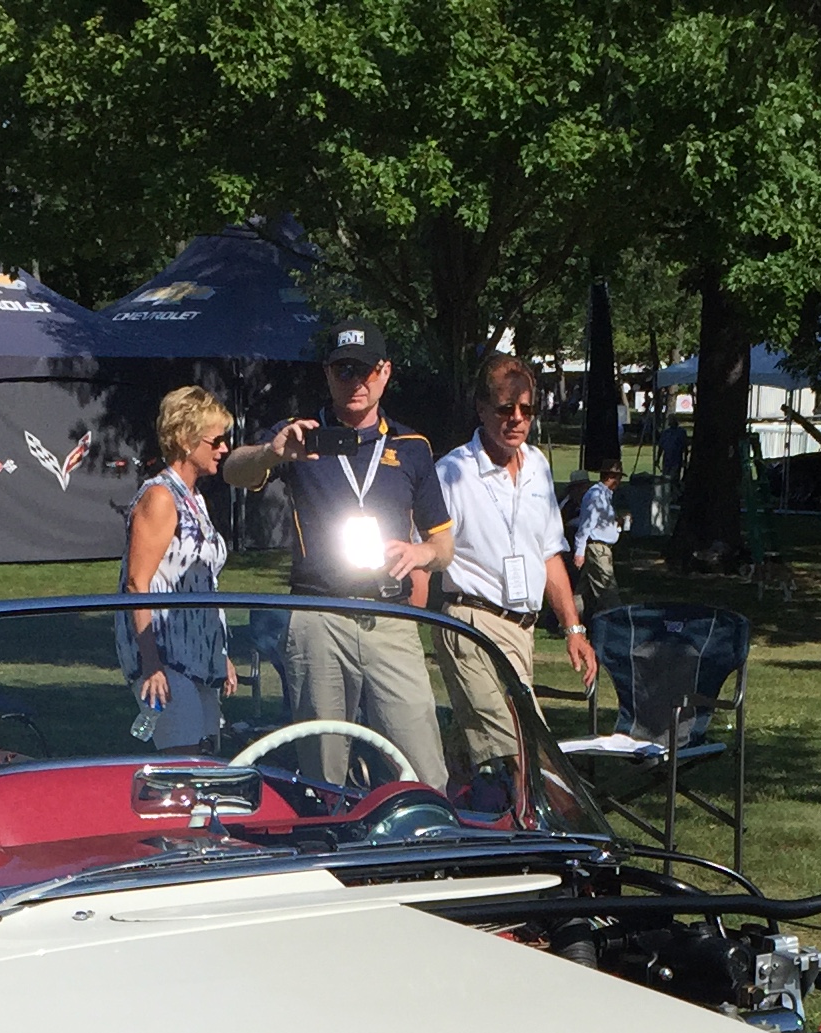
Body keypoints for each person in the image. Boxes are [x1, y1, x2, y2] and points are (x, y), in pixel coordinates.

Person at [222, 323, 454, 787]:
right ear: (327, 374)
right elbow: (231, 470)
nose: (356, 382)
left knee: (422, 758)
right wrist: (271, 453)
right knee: (323, 764)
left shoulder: (411, 448)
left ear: (385, 373)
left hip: (389, 615)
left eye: (366, 370)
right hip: (318, 613)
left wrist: (420, 552)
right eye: (344, 370)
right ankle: (331, 841)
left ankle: (426, 845)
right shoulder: (300, 436)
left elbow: (444, 547)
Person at [430, 354, 597, 770]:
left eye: (528, 409)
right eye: (506, 408)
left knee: (476, 752)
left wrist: (573, 628)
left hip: (523, 631)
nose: (517, 419)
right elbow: (424, 557)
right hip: (471, 625)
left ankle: (452, 806)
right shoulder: (452, 473)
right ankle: (552, 830)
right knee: (525, 754)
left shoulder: (539, 466)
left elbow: (549, 554)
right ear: (483, 409)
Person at [119, 386, 239, 751]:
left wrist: (220, 654)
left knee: (208, 762)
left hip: (199, 656)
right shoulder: (160, 497)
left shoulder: (196, 499)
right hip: (165, 655)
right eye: (216, 440)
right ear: (186, 441)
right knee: (183, 769)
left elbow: (203, 582)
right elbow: (137, 584)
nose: (224, 448)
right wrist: (151, 663)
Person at [568, 457, 625, 622]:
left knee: (582, 590)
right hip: (597, 548)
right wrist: (579, 551)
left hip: (602, 547)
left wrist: (618, 524)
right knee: (608, 589)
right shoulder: (596, 496)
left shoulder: (605, 496)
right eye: (618, 478)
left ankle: (566, 620)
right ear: (609, 477)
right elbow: (586, 525)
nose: (619, 482)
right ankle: (618, 620)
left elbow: (602, 523)